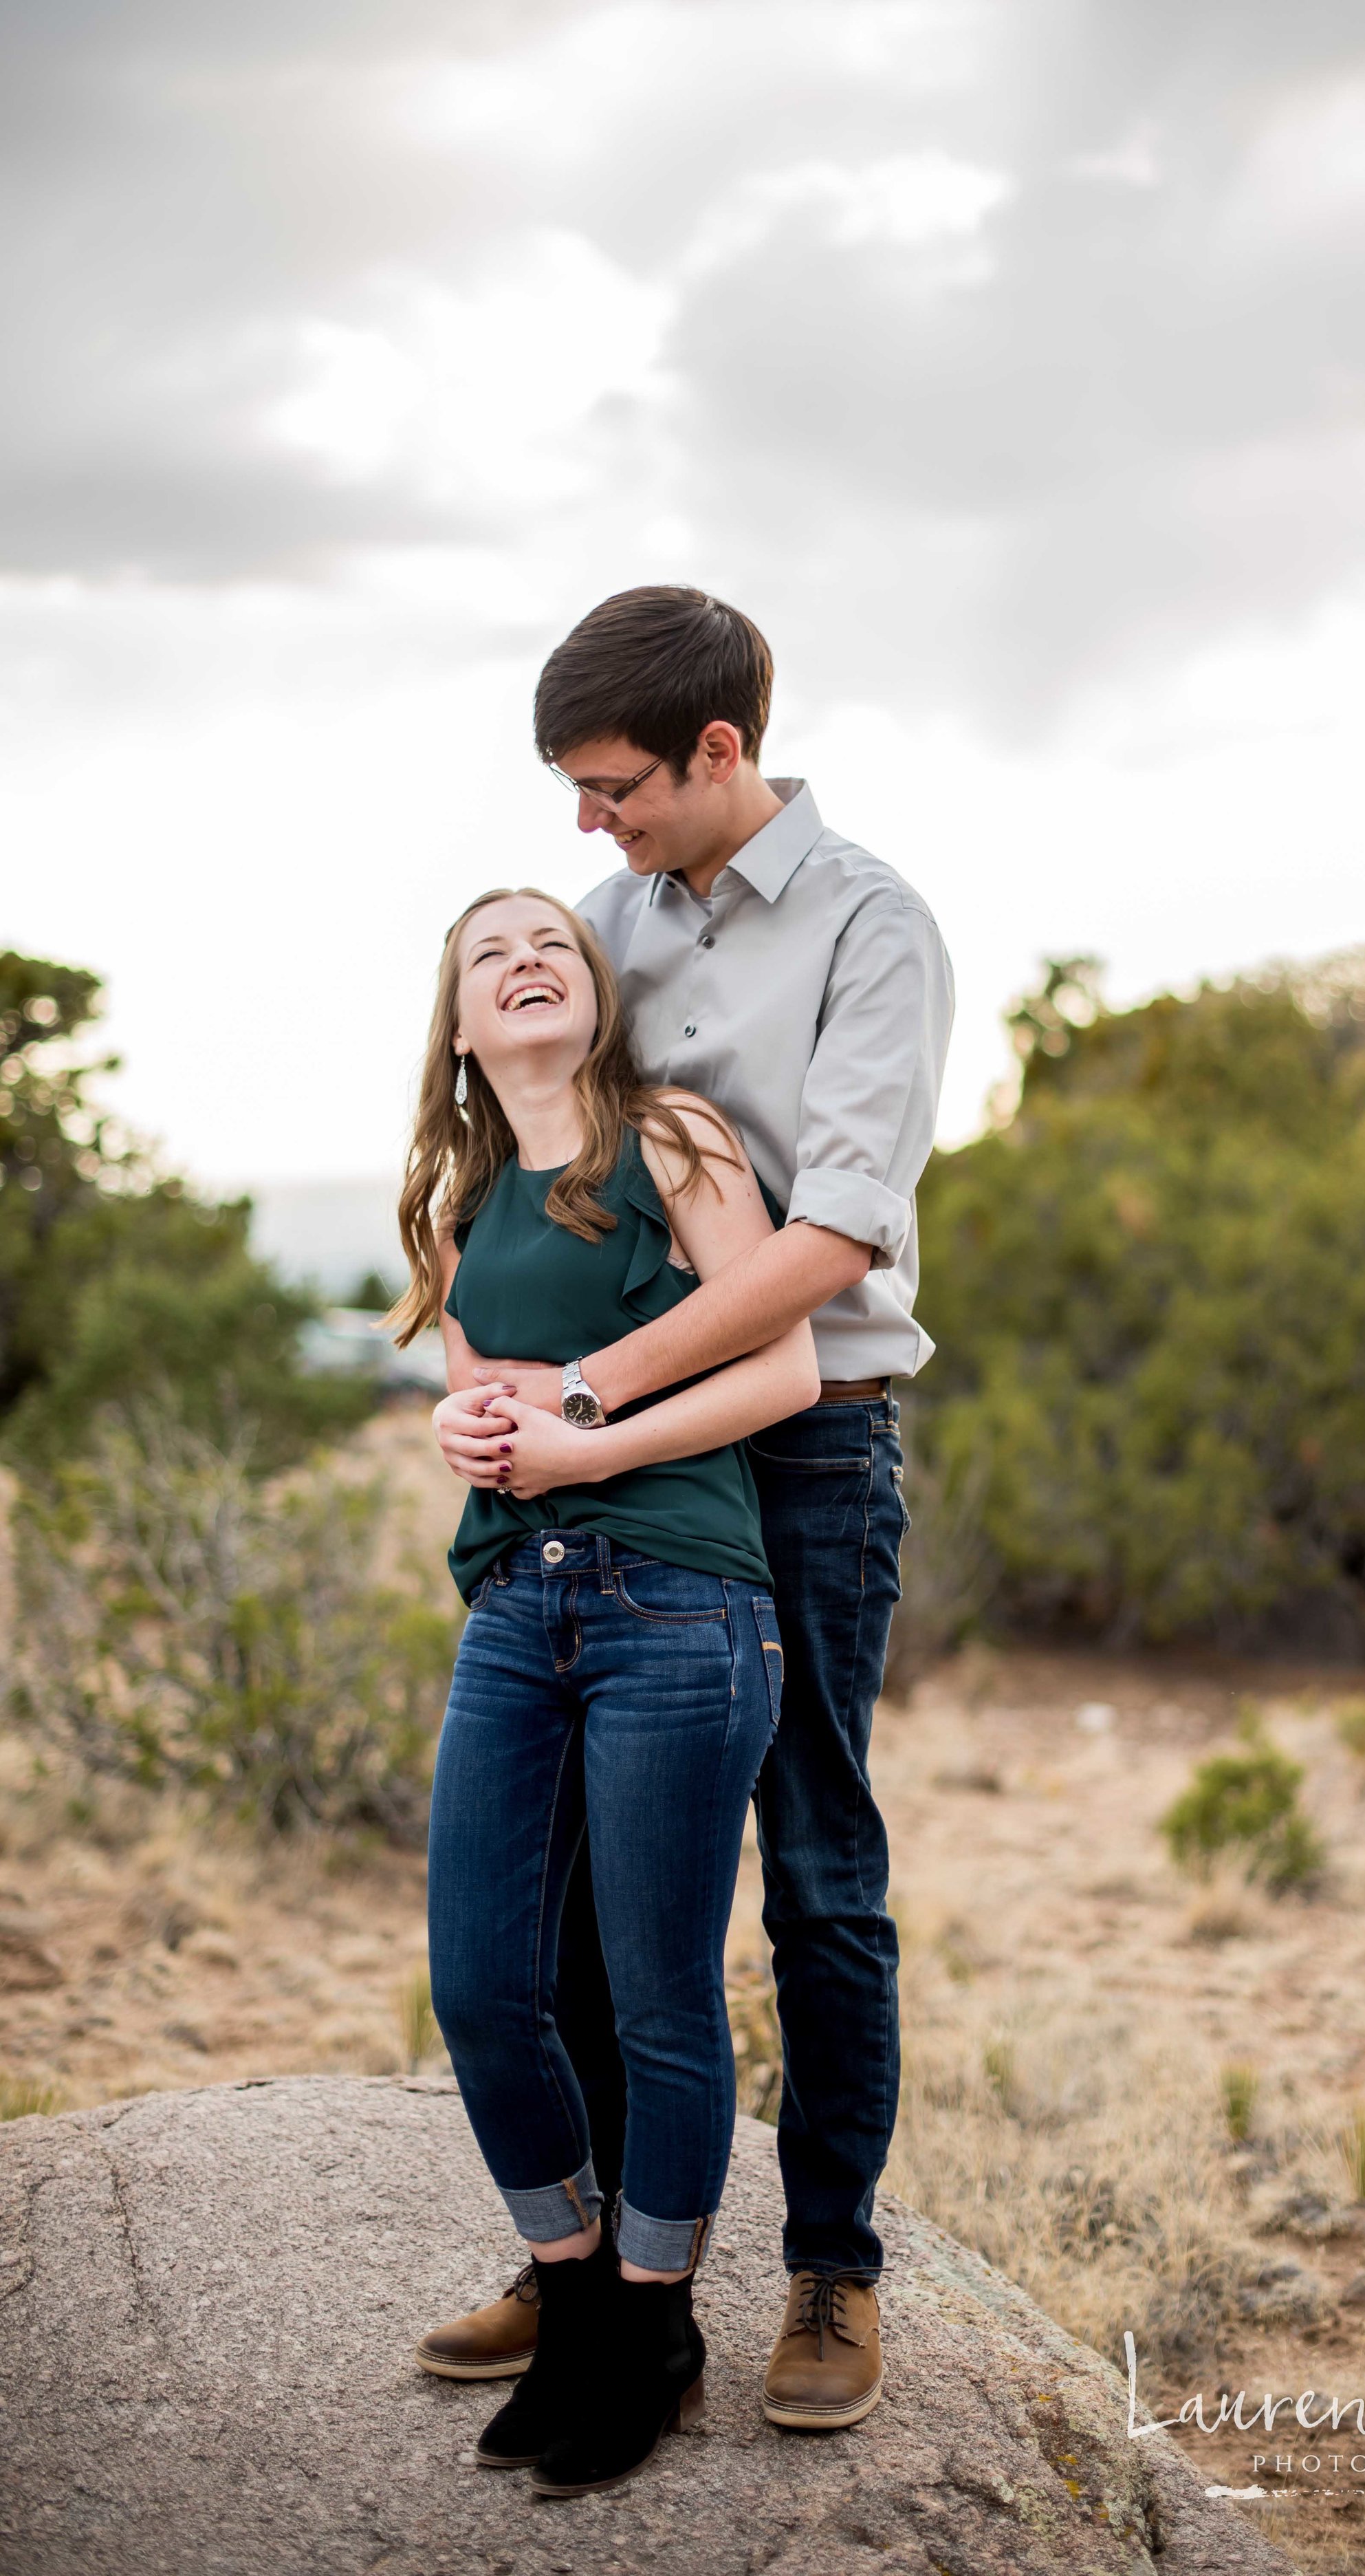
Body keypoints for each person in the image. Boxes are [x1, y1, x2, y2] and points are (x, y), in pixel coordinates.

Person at [415, 587, 954, 2430]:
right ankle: (593, 2275)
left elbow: (822, 1243)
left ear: (719, 751)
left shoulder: (871, 927)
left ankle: (830, 2269)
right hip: (599, 1466)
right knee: (571, 1884)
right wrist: (498, 1391)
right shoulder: (615, 922)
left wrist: (590, 1400)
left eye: (617, 785)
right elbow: (549, 1150)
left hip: (800, 1453)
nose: (594, 825)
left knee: (812, 1867)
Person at [395, 885, 821, 2496]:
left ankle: (651, 2324)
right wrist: (470, 1434)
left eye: (550, 943)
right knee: (482, 1982)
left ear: (596, 994)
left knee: (657, 1998)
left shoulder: (674, 1138)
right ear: (456, 1020)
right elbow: (482, 1408)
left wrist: (586, 1438)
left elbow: (783, 1363)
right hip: (514, 1604)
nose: (522, 958)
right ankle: (571, 2292)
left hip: (680, 1605)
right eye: (487, 949)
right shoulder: (454, 1203)